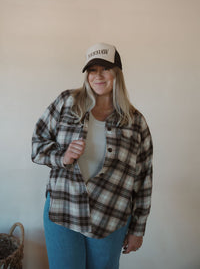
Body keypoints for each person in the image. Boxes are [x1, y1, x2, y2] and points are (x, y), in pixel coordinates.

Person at [31, 42, 153, 269]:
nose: (98, 76)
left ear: (117, 72)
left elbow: (143, 179)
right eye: (92, 70)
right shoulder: (66, 102)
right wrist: (63, 157)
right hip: (63, 211)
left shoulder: (135, 122)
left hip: (111, 215)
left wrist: (137, 229)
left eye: (105, 69)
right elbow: (37, 145)